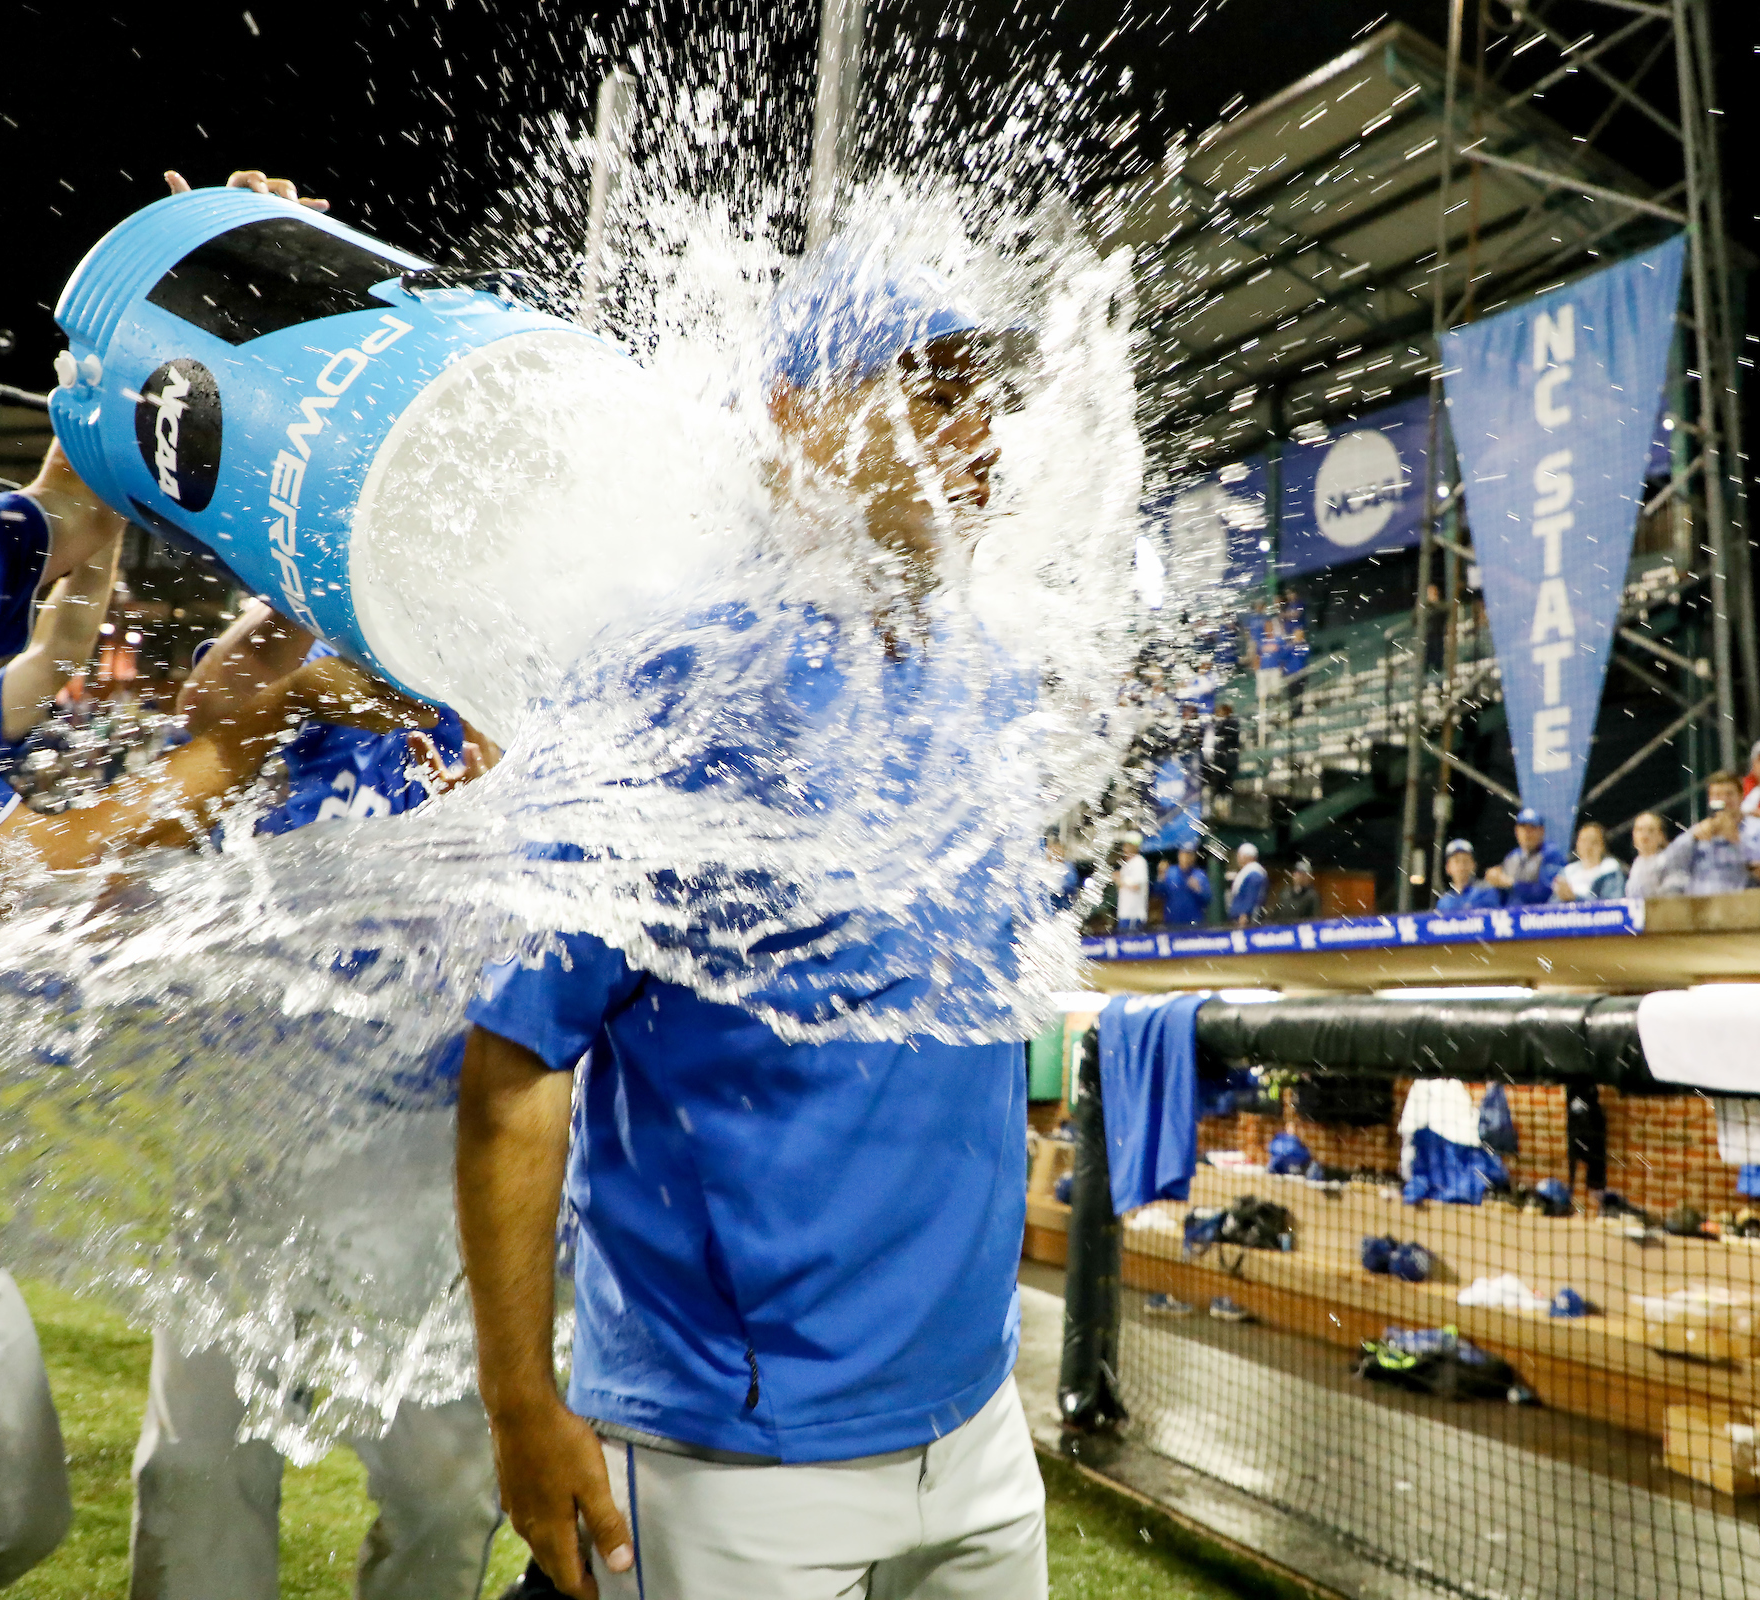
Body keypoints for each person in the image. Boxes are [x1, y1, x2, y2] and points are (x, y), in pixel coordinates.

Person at [0, 192, 425, 1598]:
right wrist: (230, 731)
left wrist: (220, 285)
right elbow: (52, 876)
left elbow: (75, 507)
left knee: (4, 1525)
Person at [455, 248, 1048, 1600]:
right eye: (931, 394)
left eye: (983, 401)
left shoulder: (987, 682)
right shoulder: (680, 682)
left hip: (981, 1421)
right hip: (739, 1449)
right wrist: (518, 1404)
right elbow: (516, 1061)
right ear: (798, 420)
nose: (977, 438)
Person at [125, 601, 503, 1600]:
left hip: (429, 1141)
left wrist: (425, 702)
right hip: (254, 1115)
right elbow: (210, 702)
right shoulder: (294, 644)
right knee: (198, 1465)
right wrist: (301, 638)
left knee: (447, 1493)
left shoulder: (504, 657)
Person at [1646, 773, 1750, 896]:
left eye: (1729, 794)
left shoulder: (1759, 830)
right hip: (1700, 906)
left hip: (1743, 903)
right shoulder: (1698, 832)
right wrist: (1692, 837)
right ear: (1710, 799)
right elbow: (1665, 865)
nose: (1724, 800)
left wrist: (1736, 841)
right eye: (1717, 795)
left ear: (1741, 796)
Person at [1483, 807, 1559, 906]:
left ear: (1541, 831)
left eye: (1532, 828)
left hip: (1538, 916)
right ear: (1516, 831)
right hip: (1513, 915)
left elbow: (1548, 892)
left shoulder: (1551, 854)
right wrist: (1495, 881)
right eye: (1523, 828)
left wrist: (1511, 884)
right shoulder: (1512, 857)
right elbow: (1503, 896)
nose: (1527, 833)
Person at [1552, 820, 1624, 902]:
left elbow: (1612, 904)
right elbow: (1552, 904)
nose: (1587, 846)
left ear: (1602, 845)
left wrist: (1576, 898)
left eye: (1593, 842)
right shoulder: (1567, 872)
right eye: (1583, 841)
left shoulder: (1610, 871)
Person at [1623, 812, 1686, 898]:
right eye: (1640, 830)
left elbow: (1674, 895)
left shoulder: (1669, 861)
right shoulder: (1637, 863)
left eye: (1651, 830)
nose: (1644, 835)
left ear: (1661, 836)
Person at [1432, 840, 1501, 912]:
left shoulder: (1486, 891)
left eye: (1466, 861)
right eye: (1457, 861)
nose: (1461, 866)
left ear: (1474, 865)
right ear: (1448, 868)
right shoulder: (1444, 902)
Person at [1157, 846, 1208, 928]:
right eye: (1183, 855)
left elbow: (1208, 898)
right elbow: (1159, 893)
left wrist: (1197, 889)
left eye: (1189, 855)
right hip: (1172, 922)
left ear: (1193, 858)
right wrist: (1161, 877)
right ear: (1179, 856)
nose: (1185, 858)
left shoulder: (1199, 875)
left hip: (1194, 922)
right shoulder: (1170, 872)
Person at [1227, 841, 1270, 926]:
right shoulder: (1247, 872)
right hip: (1238, 916)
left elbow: (1251, 896)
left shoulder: (1254, 873)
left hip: (1246, 919)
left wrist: (1245, 913)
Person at [1203, 701, 1239, 801]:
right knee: (1219, 783)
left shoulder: (1231, 724)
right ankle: (1220, 800)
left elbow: (1228, 738)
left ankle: (1224, 801)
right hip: (1220, 760)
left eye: (1220, 712)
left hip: (1226, 761)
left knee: (1225, 783)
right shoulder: (1216, 725)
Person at [1113, 838, 1150, 932]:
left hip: (1133, 915)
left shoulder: (1139, 862)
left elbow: (1136, 886)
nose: (1125, 848)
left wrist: (1120, 879)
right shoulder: (1126, 864)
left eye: (1128, 845)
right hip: (1124, 913)